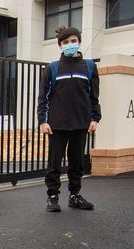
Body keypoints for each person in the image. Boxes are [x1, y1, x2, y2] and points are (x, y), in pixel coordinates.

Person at [37, 25, 101, 212]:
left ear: (79, 42)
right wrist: (43, 120)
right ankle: (53, 197)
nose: (70, 44)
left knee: (77, 163)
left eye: (73, 41)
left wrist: (95, 118)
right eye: (65, 42)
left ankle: (75, 196)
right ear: (60, 46)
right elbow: (44, 97)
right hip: (57, 125)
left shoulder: (89, 66)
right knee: (54, 163)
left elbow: (94, 96)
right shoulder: (53, 68)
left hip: (81, 124)